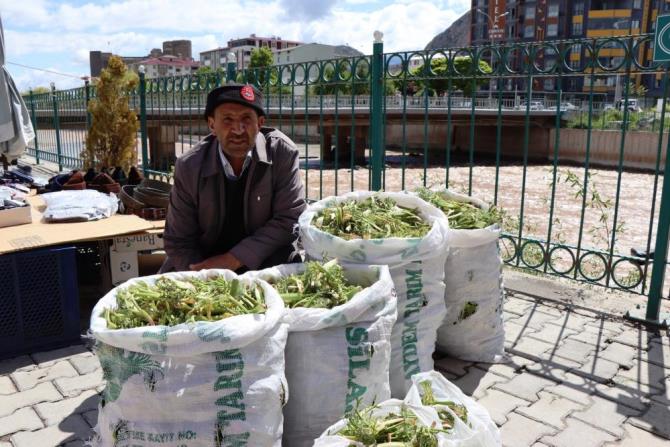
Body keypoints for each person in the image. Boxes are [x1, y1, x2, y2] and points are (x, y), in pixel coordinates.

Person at [160, 83, 306, 273]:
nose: (238, 129)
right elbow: (178, 240)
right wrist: (204, 277)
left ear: (260, 123)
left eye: (246, 119)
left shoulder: (282, 153)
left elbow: (290, 218)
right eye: (227, 119)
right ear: (212, 125)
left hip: (268, 262)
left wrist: (233, 260)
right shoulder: (190, 166)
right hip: (205, 264)